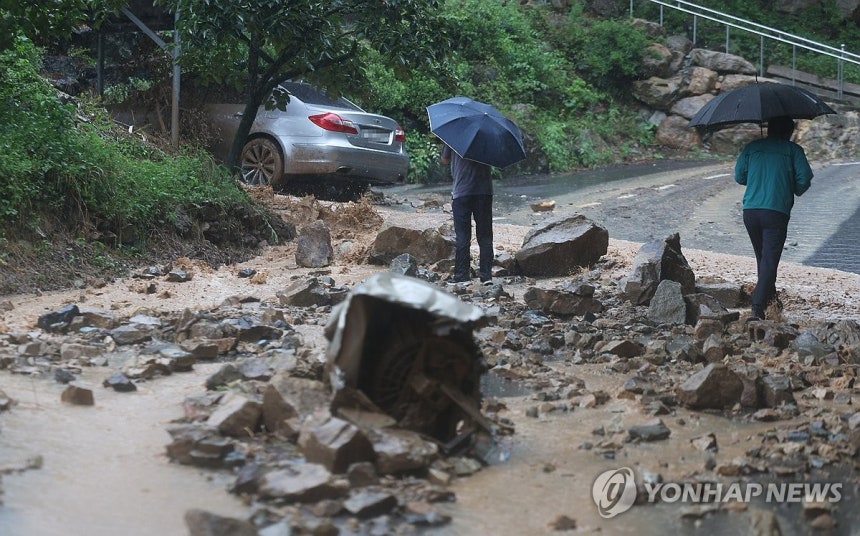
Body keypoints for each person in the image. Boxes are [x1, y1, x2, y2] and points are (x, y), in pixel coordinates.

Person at [735, 115, 813, 320]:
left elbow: (739, 176)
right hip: (776, 212)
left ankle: (771, 299)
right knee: (769, 260)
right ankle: (757, 307)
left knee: (763, 258)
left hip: (750, 211)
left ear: (769, 129)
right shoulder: (793, 151)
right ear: (789, 132)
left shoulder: (752, 148)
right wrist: (791, 187)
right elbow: (804, 180)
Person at [441, 143, 494, 284]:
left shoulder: (453, 135)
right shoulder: (488, 137)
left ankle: (462, 276)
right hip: (484, 191)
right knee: (485, 236)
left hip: (462, 192)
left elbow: (445, 160)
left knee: (463, 236)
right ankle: (486, 276)